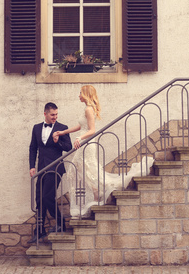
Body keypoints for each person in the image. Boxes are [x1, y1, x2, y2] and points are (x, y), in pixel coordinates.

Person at [53, 85, 154, 218]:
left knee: (86, 169)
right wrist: (63, 132)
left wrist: (80, 138)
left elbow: (92, 130)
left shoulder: (89, 109)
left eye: (80, 93)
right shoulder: (86, 109)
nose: (78, 95)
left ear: (85, 94)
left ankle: (97, 192)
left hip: (87, 144)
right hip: (84, 143)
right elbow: (81, 126)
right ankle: (96, 192)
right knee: (83, 169)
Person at [29, 102, 72, 242]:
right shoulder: (36, 128)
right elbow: (33, 148)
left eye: (56, 114)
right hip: (41, 168)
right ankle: (39, 230)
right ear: (45, 114)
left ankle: (60, 224)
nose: (55, 117)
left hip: (55, 168)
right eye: (52, 114)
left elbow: (68, 147)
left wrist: (57, 141)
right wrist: (32, 166)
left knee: (47, 197)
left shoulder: (62, 128)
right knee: (39, 199)